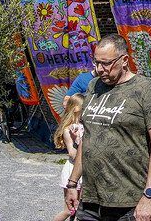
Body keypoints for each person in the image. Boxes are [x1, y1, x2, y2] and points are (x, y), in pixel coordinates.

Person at [64, 34, 151, 221]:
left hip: (128, 200)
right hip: (90, 198)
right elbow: (87, 139)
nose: (99, 69)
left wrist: (149, 195)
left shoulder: (146, 88)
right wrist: (72, 184)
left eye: (106, 63)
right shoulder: (93, 86)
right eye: (96, 63)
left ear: (124, 60)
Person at [54, 93, 85, 221]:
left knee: (81, 210)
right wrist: (78, 140)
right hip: (73, 171)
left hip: (85, 173)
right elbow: (72, 153)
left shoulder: (85, 126)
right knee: (69, 210)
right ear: (77, 108)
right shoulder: (68, 129)